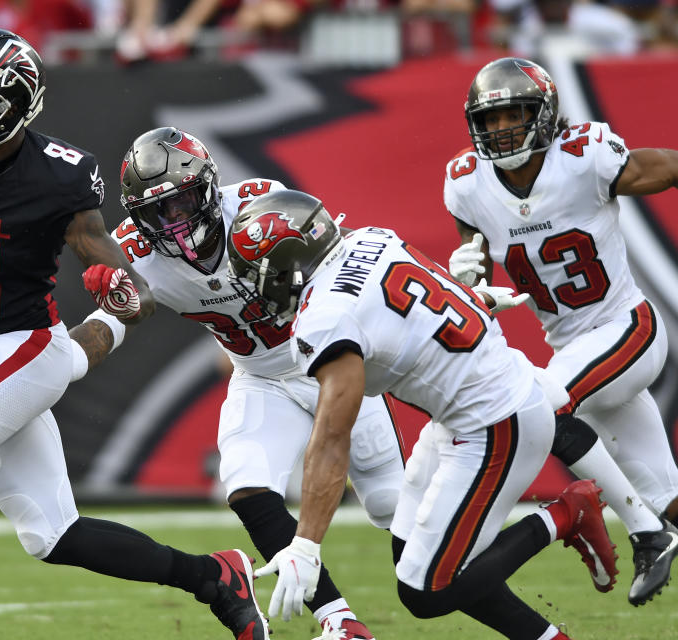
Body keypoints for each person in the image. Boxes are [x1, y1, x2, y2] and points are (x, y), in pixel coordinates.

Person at [0, 27, 268, 640]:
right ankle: (216, 578)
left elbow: (127, 285)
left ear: (8, 110)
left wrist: (122, 292)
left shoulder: (60, 177)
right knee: (54, 535)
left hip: (24, 345)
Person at [225, 188, 619, 640]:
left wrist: (307, 545)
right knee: (414, 553)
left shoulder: (325, 317)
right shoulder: (369, 238)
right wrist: (481, 303)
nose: (257, 287)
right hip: (477, 402)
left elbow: (334, 437)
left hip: (494, 421)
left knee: (427, 590)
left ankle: (568, 513)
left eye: (259, 274)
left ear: (287, 268)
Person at [69, 126, 406, 640]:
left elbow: (344, 271)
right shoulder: (135, 250)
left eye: (181, 203)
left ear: (207, 188)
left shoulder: (260, 205)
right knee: (248, 486)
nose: (174, 222)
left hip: (327, 361)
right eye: (158, 212)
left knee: (390, 506)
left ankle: (482, 566)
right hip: (260, 376)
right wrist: (65, 354)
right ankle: (339, 622)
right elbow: (119, 321)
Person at [444, 56, 678, 606]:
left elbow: (662, 166)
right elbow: (478, 263)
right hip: (572, 349)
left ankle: (645, 533)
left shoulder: (583, 155)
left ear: (545, 113)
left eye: (516, 114)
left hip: (627, 328)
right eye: (492, 119)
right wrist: (473, 281)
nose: (502, 129)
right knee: (668, 496)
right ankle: (658, 523)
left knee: (541, 407)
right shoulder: (466, 183)